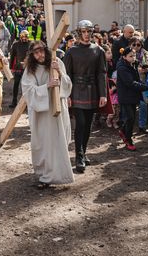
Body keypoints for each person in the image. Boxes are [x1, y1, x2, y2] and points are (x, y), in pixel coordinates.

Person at [21, 41, 74, 188]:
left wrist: (60, 73)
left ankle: (60, 174)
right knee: (44, 143)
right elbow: (28, 91)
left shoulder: (57, 62)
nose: (40, 55)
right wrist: (46, 87)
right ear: (32, 55)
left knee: (60, 140)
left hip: (58, 109)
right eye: (36, 53)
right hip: (42, 113)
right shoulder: (30, 70)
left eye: (42, 51)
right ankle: (45, 175)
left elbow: (68, 85)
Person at [63, 20, 107, 173]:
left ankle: (84, 151)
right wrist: (67, 94)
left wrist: (103, 94)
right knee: (80, 123)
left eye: (89, 31)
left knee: (88, 124)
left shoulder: (98, 50)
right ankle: (79, 156)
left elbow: (102, 73)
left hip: (93, 91)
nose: (87, 34)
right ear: (79, 33)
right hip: (76, 91)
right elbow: (66, 75)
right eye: (84, 31)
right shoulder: (71, 52)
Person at [116, 47, 148, 151]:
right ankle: (128, 140)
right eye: (130, 56)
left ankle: (124, 132)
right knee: (130, 117)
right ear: (124, 57)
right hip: (125, 95)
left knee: (131, 117)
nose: (133, 58)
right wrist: (146, 87)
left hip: (132, 95)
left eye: (134, 55)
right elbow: (130, 83)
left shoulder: (132, 64)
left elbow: (136, 78)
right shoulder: (122, 67)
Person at [8, 30, 30, 108]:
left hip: (27, 68)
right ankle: (14, 101)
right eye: (23, 36)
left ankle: (27, 102)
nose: (24, 38)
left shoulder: (31, 44)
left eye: (25, 36)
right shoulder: (16, 45)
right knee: (16, 84)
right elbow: (12, 56)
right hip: (18, 68)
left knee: (27, 86)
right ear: (20, 36)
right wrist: (10, 67)